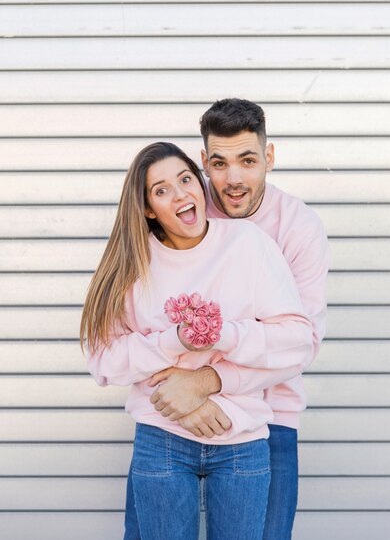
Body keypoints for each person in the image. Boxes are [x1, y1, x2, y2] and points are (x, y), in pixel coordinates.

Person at [81, 141, 315, 540]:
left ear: (200, 184)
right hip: (162, 437)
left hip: (242, 438)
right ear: (148, 208)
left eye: (185, 179)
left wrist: (221, 334)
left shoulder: (248, 244)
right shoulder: (135, 262)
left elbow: (296, 341)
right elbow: (104, 358)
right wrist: (175, 341)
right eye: (161, 189)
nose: (179, 194)